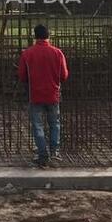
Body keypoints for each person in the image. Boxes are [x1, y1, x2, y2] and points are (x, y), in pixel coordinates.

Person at [17, 24, 69, 166]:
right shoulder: (58, 53)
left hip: (35, 95)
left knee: (37, 126)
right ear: (48, 36)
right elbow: (64, 75)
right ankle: (55, 153)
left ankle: (42, 155)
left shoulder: (27, 54)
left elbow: (22, 76)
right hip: (53, 95)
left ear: (35, 36)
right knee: (55, 124)